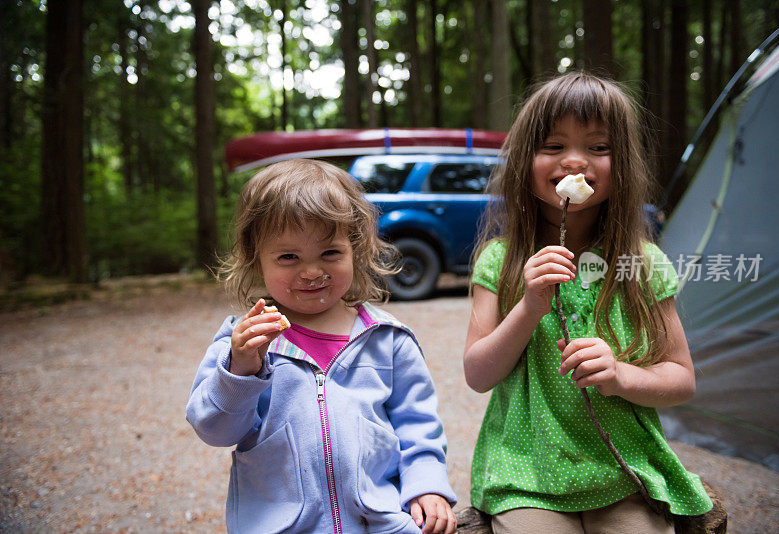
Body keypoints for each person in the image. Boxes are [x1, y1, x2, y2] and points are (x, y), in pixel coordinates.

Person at [462, 72, 713, 534]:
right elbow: (477, 374)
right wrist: (530, 306)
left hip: (621, 471)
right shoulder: (500, 260)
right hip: (526, 473)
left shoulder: (643, 263)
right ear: (523, 162)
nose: (574, 161)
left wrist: (620, 374)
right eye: (554, 146)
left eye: (598, 147)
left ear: (625, 165)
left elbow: (681, 379)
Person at [187, 159, 457, 534]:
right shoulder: (244, 342)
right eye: (288, 257)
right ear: (256, 259)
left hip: (380, 521)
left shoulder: (388, 339)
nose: (312, 271)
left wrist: (426, 487)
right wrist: (240, 370)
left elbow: (418, 427)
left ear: (356, 250)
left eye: (330, 253)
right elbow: (215, 431)